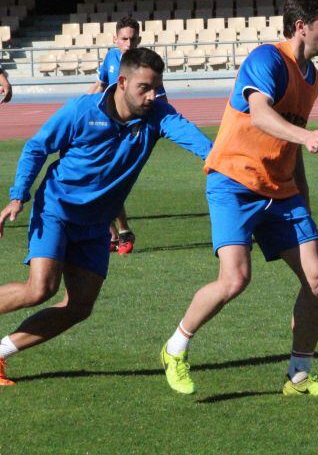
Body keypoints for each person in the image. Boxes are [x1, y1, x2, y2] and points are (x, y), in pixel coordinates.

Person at [160, 0, 318, 397]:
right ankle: (175, 348)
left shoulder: (313, 77)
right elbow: (260, 114)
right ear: (301, 26)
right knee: (235, 279)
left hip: (282, 190)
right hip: (234, 181)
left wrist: (303, 196)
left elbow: (290, 144)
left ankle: (297, 377)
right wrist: (307, 135)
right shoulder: (267, 59)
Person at [0, 48, 212, 386]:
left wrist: (223, 163)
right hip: (58, 209)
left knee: (80, 306)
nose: (153, 95)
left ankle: (0, 352)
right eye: (145, 87)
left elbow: (198, 143)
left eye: (157, 87)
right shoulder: (83, 111)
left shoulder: (157, 114)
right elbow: (37, 147)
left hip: (96, 224)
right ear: (122, 81)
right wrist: (17, 196)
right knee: (40, 288)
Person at [88, 17, 168, 254]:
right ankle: (114, 234)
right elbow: (100, 85)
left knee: (108, 181)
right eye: (124, 38)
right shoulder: (110, 59)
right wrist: (79, 105)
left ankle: (121, 231)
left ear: (139, 40)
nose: (129, 43)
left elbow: (161, 100)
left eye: (133, 39)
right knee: (99, 179)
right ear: (115, 39)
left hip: (132, 131)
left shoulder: (145, 65)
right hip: (107, 127)